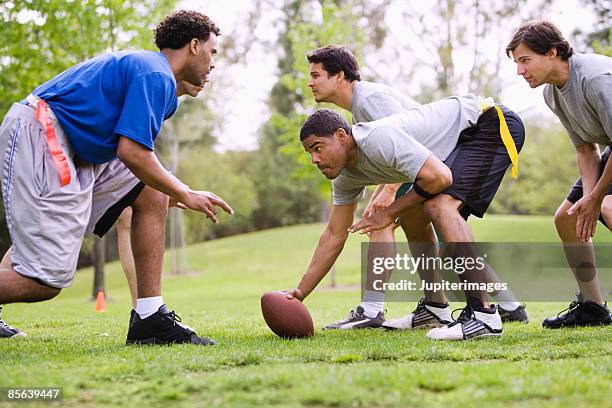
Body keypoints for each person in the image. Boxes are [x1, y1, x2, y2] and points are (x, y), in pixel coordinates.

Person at [0, 10, 234, 346]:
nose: (213, 63)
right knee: (43, 282)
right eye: (213, 52)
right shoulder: (155, 75)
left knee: (150, 191)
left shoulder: (159, 81)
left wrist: (171, 190)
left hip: (73, 146)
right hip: (43, 133)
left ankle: (150, 318)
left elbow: (140, 163)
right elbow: (133, 153)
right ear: (194, 46)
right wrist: (184, 191)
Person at [305, 45, 527, 330]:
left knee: (411, 217)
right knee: (425, 225)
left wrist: (387, 192)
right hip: (440, 158)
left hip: (465, 139)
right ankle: (496, 304)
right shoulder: (358, 108)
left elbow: (403, 143)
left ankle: (372, 309)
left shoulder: (371, 99)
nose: (310, 82)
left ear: (339, 76)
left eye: (316, 75)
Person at [506, 20, 611, 328]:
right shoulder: (552, 94)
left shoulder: (594, 78)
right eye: (517, 63)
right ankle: (593, 308)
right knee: (567, 218)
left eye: (525, 60)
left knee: (607, 206)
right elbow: (585, 150)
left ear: (552, 52)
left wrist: (596, 199)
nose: (520, 71)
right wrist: (587, 201)